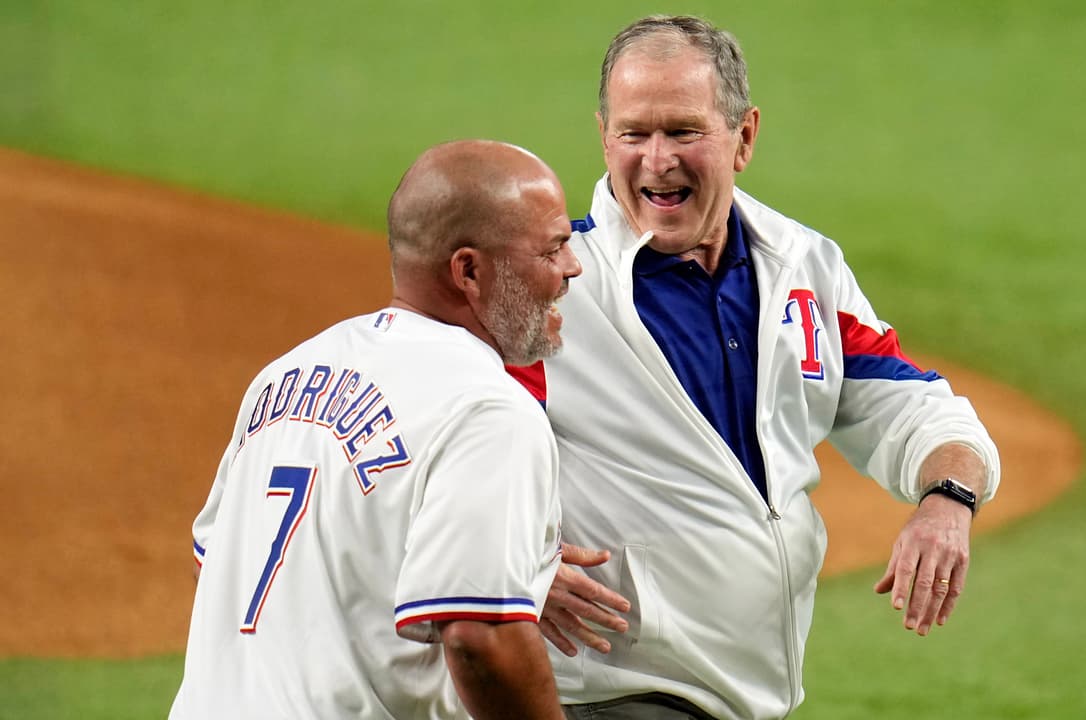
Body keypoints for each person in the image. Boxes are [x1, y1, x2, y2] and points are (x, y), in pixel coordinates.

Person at [510, 15, 1002, 719]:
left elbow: (908, 403)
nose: (656, 161)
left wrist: (948, 499)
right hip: (616, 692)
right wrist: (515, 564)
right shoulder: (555, 288)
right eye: (633, 133)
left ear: (744, 137)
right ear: (603, 136)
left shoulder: (802, 267)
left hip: (749, 692)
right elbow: (438, 446)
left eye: (683, 132)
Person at [169, 139, 582, 719]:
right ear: (469, 270)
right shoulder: (489, 409)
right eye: (553, 248)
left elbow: (214, 564)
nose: (572, 267)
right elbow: (480, 636)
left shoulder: (285, 374)